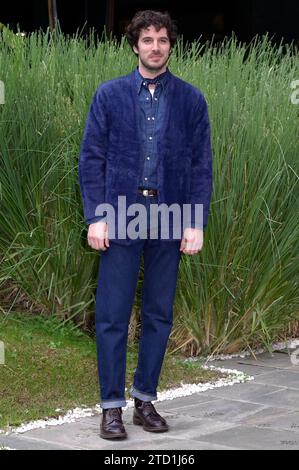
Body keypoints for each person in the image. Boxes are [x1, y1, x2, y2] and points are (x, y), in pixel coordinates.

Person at [78, 10, 213, 440]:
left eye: (163, 40)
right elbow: (92, 159)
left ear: (171, 45)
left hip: (170, 216)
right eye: (148, 40)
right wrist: (96, 216)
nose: (156, 47)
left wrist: (195, 222)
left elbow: (200, 167)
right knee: (113, 314)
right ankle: (111, 408)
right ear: (135, 45)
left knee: (158, 313)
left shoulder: (192, 100)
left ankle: (145, 400)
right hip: (119, 214)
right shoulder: (109, 95)